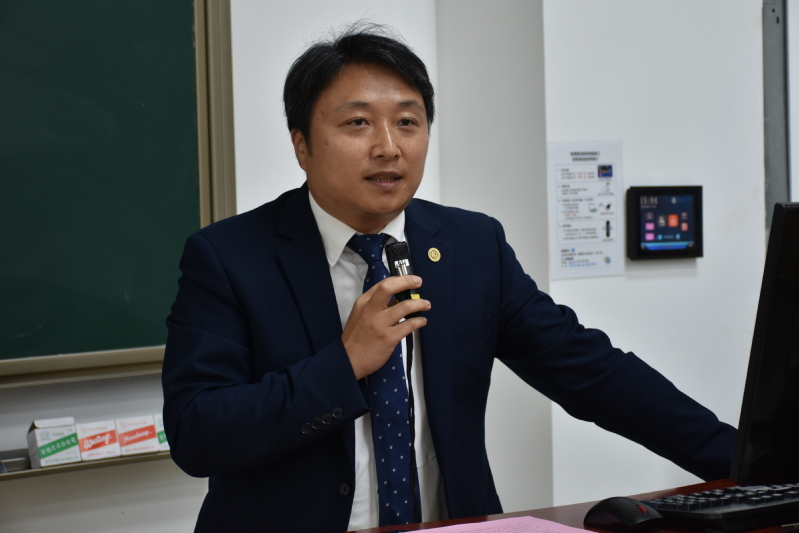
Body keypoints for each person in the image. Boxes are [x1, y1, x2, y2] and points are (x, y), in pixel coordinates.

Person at [162, 24, 736, 533]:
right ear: (301, 144)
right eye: (358, 123)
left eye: (407, 122)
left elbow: (591, 371)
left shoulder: (469, 246)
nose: (388, 147)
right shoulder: (229, 258)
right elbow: (198, 432)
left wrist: (746, 463)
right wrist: (344, 362)